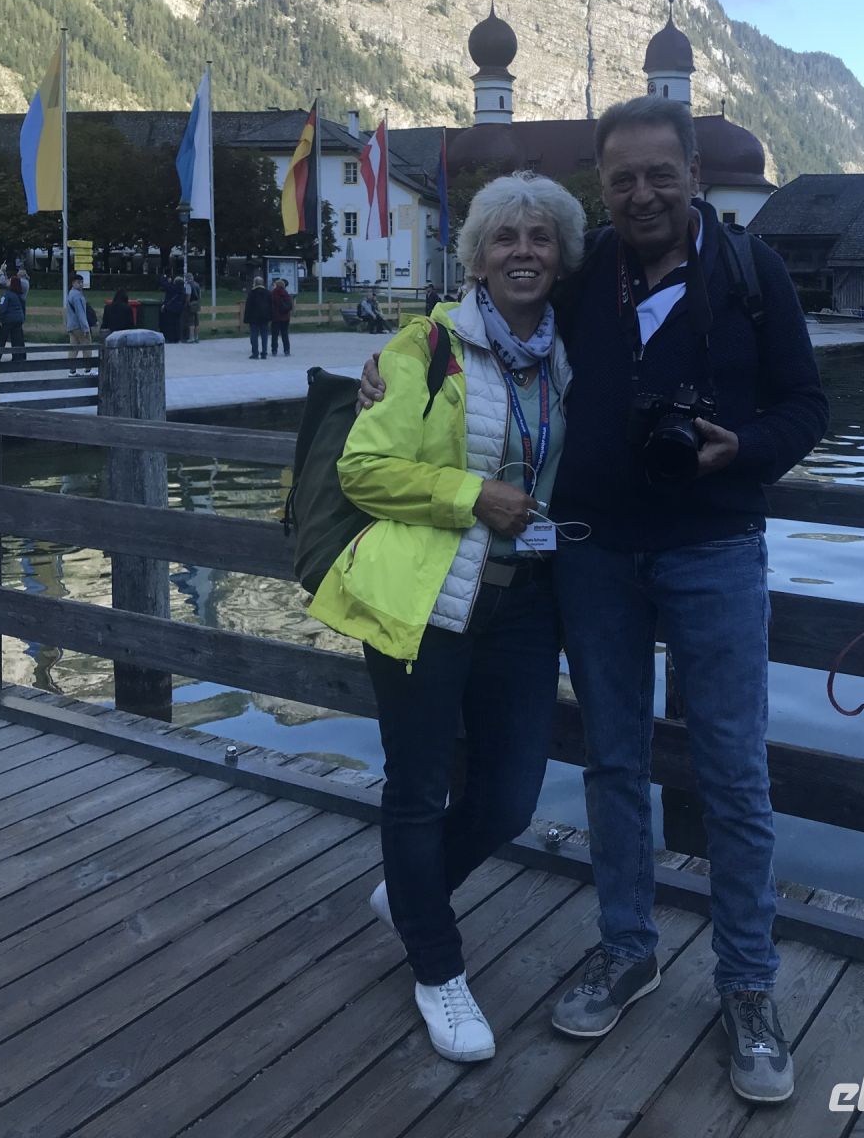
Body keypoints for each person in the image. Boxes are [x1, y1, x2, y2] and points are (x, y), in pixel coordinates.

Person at [361, 99, 828, 1104]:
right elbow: (498, 304)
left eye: (661, 173)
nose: (643, 192)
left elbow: (807, 405)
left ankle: (749, 985)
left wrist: (740, 448)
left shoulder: (755, 275)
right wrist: (393, 357)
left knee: (734, 778)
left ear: (693, 171)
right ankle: (628, 948)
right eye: (623, 178)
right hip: (596, 558)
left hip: (715, 550)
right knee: (613, 763)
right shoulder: (585, 272)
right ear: (603, 186)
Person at [310, 173, 586, 1066]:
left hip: (527, 605)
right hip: (427, 601)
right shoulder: (421, 349)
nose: (523, 253)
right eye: (504, 238)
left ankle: (410, 888)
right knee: (418, 786)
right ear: (474, 255)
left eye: (540, 238)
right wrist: (474, 495)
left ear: (561, 256)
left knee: (508, 797)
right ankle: (438, 969)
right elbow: (362, 471)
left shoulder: (573, 354)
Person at [64, 274, 93, 374]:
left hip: (71, 326)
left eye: (81, 282)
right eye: (78, 282)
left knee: (73, 348)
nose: (80, 285)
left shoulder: (70, 294)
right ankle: (88, 369)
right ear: (73, 283)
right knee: (87, 346)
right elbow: (81, 313)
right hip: (79, 326)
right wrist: (86, 328)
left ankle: (72, 370)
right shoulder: (77, 295)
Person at [0, 274, 27, 365]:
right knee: (17, 340)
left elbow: (3, 308)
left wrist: (0, 319)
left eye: (9, 280)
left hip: (8, 319)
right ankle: (18, 358)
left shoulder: (7, 294)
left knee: (2, 339)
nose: (7, 281)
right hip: (18, 319)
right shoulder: (20, 295)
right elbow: (23, 308)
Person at [242, 276, 271, 358]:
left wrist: (246, 319)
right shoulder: (268, 293)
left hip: (253, 318)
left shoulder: (252, 293)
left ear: (255, 283)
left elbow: (248, 307)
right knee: (264, 335)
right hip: (265, 317)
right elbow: (270, 305)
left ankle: (255, 353)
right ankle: (264, 353)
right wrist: (270, 316)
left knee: (254, 335)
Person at [160, 274, 187, 345]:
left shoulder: (172, 288)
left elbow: (163, 283)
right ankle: (177, 338)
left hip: (170, 308)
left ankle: (170, 338)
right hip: (179, 309)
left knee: (169, 324)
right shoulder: (183, 290)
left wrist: (165, 277)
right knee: (177, 323)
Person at [270, 277, 293, 355]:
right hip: (285, 317)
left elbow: (270, 305)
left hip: (275, 317)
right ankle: (286, 350)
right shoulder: (286, 293)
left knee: (274, 335)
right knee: (285, 334)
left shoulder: (272, 293)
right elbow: (290, 305)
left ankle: (274, 350)